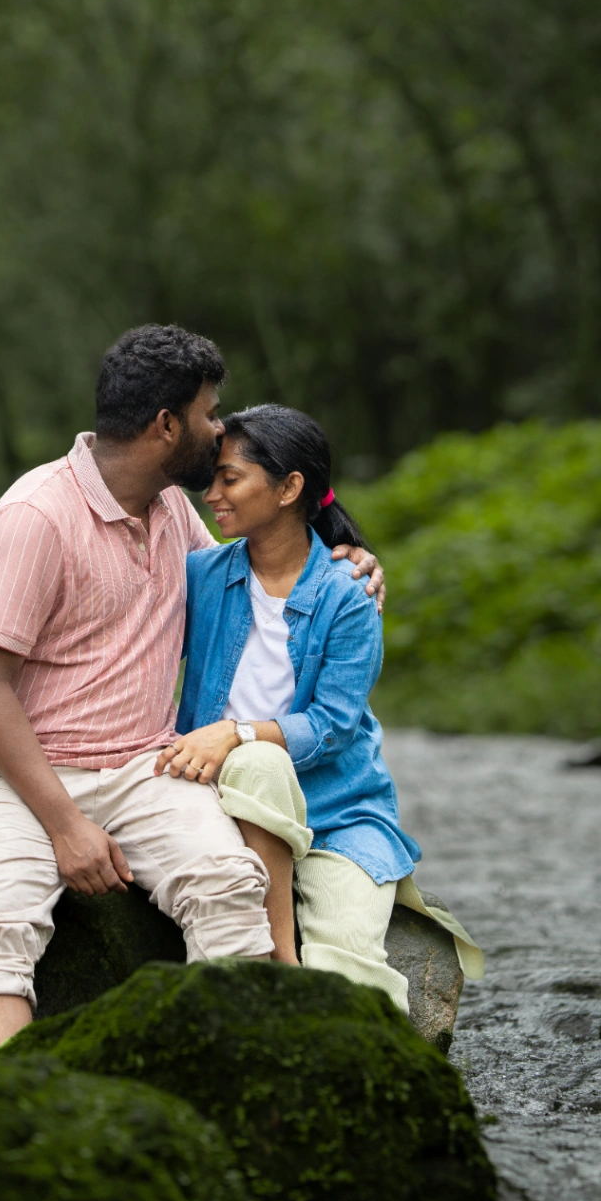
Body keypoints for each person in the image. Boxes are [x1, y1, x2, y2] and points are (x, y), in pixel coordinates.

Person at [0, 326, 385, 1054]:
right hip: (15, 779)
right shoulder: (35, 516)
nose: (219, 429)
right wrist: (66, 827)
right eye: (210, 413)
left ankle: (224, 1092)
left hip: (148, 768)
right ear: (167, 425)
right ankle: (7, 1112)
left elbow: (254, 579)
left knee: (228, 889)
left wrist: (347, 559)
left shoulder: (174, 511)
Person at [158, 403, 481, 1014]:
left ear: (289, 488)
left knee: (349, 966)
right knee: (257, 767)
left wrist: (236, 732)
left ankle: (373, 1058)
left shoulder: (347, 594)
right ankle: (281, 961)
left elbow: (332, 726)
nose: (212, 495)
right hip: (223, 796)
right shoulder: (201, 575)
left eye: (230, 478)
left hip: (336, 812)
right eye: (211, 480)